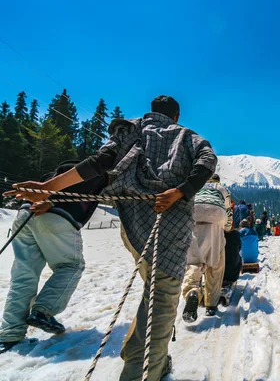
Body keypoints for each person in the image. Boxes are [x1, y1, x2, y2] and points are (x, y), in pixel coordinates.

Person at [9, 96, 217, 380]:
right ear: (176, 116)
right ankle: (141, 371)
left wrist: (49, 187)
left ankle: (148, 359)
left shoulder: (129, 129)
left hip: (132, 224)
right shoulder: (189, 137)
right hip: (170, 223)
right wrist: (180, 191)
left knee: (152, 288)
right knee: (162, 295)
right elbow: (208, 162)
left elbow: (99, 162)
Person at [0, 161, 107, 354]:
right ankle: (44, 311)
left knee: (24, 274)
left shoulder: (53, 175)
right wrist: (53, 200)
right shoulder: (94, 170)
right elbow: (83, 180)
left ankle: (10, 333)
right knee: (71, 266)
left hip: (25, 213)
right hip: (55, 216)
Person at [181, 174, 232, 320]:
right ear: (217, 181)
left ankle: (192, 293)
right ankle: (211, 305)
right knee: (215, 263)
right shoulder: (222, 189)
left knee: (193, 260)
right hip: (216, 216)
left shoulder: (198, 185)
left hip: (194, 214)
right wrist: (227, 228)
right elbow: (228, 212)